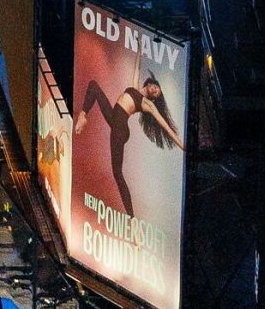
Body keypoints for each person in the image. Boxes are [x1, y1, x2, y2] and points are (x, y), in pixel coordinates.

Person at [75, 74, 184, 216]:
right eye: (156, 87)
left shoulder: (148, 104)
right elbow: (137, 68)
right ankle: (83, 115)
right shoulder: (135, 88)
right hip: (115, 118)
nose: (156, 89)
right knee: (94, 85)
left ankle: (131, 216)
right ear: (151, 83)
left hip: (120, 129)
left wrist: (182, 145)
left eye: (157, 92)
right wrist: (140, 50)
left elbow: (165, 126)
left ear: (154, 97)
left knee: (117, 172)